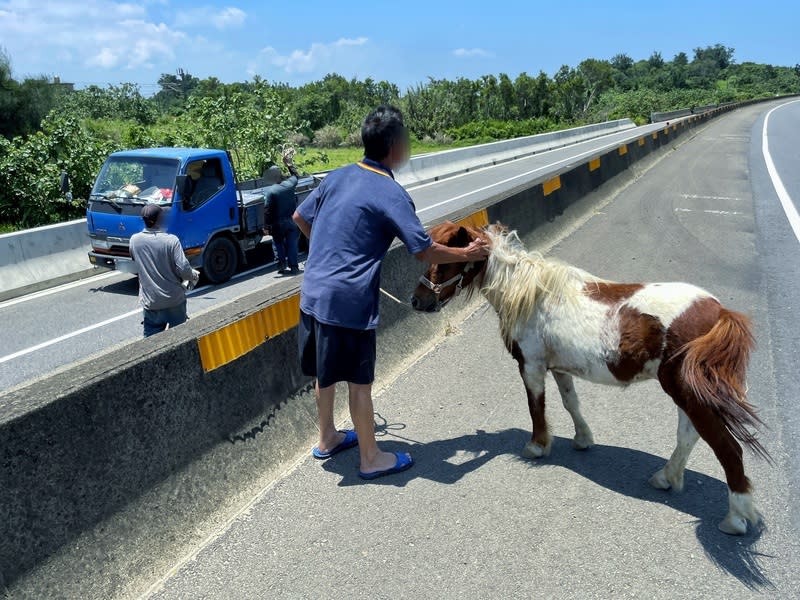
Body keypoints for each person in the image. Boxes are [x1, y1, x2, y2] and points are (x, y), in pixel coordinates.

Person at [292, 105, 489, 479]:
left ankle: (327, 439)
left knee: (325, 372)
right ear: (395, 147)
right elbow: (424, 250)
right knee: (359, 382)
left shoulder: (338, 175)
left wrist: (328, 255)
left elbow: (300, 218)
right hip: (348, 300)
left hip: (313, 292)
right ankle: (371, 458)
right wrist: (467, 253)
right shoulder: (390, 192)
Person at [129, 204, 200, 337]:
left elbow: (135, 260)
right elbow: (184, 269)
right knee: (179, 339)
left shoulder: (134, 240)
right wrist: (193, 275)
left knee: (152, 344)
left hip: (151, 302)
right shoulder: (171, 241)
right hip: (174, 300)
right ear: (160, 219)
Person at [264, 155, 301, 275]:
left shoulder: (271, 191)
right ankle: (294, 267)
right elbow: (296, 176)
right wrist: (289, 164)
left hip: (277, 223)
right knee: (292, 243)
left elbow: (267, 210)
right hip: (291, 221)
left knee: (278, 243)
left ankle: (281, 265)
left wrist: (266, 226)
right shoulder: (290, 184)